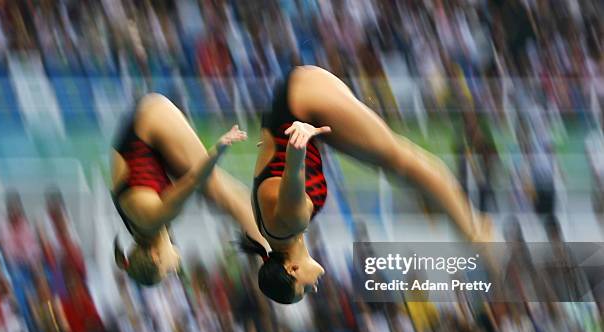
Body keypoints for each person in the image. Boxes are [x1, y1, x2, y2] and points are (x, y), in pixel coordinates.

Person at [243, 66, 493, 304]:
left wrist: (299, 145)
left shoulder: (290, 223)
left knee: (402, 162)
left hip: (302, 101)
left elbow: (292, 174)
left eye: (305, 288)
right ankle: (466, 224)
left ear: (292, 268)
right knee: (395, 167)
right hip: (292, 103)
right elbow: (274, 166)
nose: (314, 287)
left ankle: (473, 232)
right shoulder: (271, 231)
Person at [111, 93, 267, 286]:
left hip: (149, 120)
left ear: (155, 256)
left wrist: (219, 147)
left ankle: (275, 258)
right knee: (226, 198)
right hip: (143, 137)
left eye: (167, 271)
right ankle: (270, 240)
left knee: (218, 191)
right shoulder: (143, 229)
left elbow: (194, 179)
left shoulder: (153, 218)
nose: (175, 269)